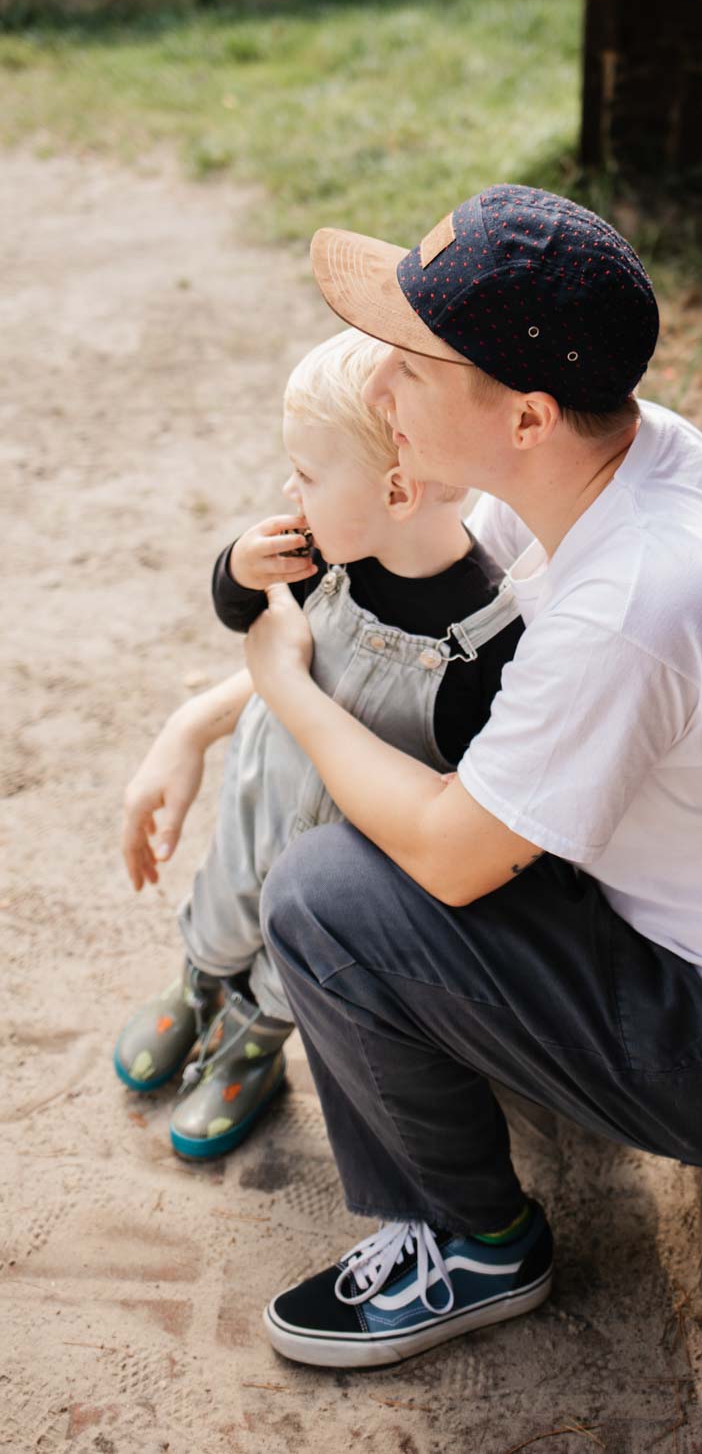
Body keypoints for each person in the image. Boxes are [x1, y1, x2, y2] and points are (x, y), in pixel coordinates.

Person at [122, 185, 702, 1372]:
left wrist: (282, 690)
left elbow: (447, 854)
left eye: (412, 368)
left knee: (326, 894)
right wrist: (202, 716)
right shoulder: (624, 467)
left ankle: (475, 1245)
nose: (381, 389)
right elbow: (407, 639)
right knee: (399, 787)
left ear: (529, 416)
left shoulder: (634, 605)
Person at [116, 326, 523, 1158]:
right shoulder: (325, 552)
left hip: (347, 855)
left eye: (306, 475)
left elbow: (478, 798)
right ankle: (197, 985)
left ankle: (255, 1042)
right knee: (227, 901)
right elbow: (241, 615)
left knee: (288, 960)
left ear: (399, 491)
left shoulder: (489, 641)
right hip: (260, 801)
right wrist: (237, 568)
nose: (286, 492)